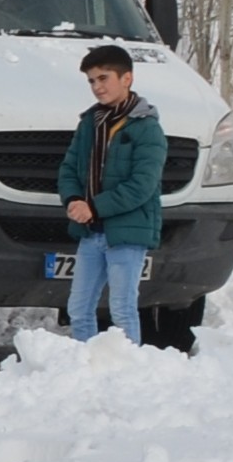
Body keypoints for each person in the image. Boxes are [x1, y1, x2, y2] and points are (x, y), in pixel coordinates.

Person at [52, 44, 163, 346]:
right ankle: (86, 365)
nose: (97, 87)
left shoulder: (147, 128)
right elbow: (69, 167)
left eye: (104, 78)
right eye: (91, 80)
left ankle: (128, 369)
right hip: (91, 232)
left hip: (127, 232)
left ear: (127, 78)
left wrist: (94, 207)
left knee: (122, 309)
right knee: (78, 309)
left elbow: (142, 185)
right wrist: (73, 200)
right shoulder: (90, 123)